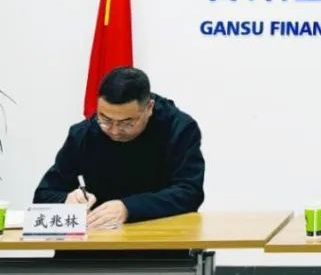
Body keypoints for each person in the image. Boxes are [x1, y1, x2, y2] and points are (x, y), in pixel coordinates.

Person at [34, 66, 205, 229]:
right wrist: (67, 200)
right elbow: (44, 194)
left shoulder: (179, 128)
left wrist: (128, 208)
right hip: (96, 239)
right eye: (105, 119)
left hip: (161, 238)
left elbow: (189, 192)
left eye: (127, 123)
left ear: (149, 108)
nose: (114, 131)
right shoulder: (84, 134)